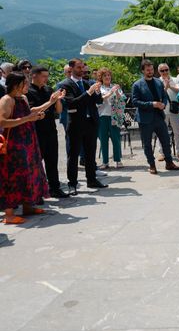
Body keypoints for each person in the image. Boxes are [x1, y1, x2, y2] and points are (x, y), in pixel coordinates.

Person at [0, 72, 63, 223]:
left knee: (30, 173)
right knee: (13, 176)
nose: (28, 85)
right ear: (16, 85)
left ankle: (28, 206)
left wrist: (51, 102)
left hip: (28, 141)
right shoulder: (6, 100)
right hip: (14, 144)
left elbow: (32, 112)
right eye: (25, 83)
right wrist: (28, 118)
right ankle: (9, 215)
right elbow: (2, 122)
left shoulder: (23, 98)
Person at [59, 58, 105, 194]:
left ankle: (91, 179)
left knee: (90, 153)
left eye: (83, 67)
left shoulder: (87, 83)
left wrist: (96, 92)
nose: (82, 70)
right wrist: (89, 92)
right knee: (73, 155)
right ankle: (72, 183)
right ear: (71, 68)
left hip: (90, 122)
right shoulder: (65, 84)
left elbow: (98, 101)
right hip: (75, 124)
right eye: (79, 67)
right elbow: (72, 103)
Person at [131, 60, 179, 175]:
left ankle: (169, 163)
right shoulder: (137, 85)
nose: (150, 71)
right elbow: (135, 102)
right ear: (143, 70)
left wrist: (163, 103)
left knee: (165, 140)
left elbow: (164, 96)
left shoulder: (158, 83)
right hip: (145, 119)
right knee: (147, 144)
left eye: (152, 69)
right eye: (148, 70)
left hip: (159, 116)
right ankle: (152, 165)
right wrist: (152, 104)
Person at [26, 65, 68, 198]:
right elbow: (33, 110)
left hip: (51, 129)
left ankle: (55, 187)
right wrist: (51, 101)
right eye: (43, 76)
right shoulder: (28, 92)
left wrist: (58, 100)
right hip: (36, 131)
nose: (46, 79)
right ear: (34, 75)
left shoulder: (48, 89)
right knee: (37, 162)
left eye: (47, 76)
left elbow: (59, 111)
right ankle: (36, 191)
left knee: (52, 160)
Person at [96, 67, 125, 170]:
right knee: (103, 139)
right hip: (102, 116)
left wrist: (116, 92)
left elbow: (121, 100)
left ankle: (118, 160)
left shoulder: (115, 87)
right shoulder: (98, 88)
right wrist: (110, 92)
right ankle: (105, 162)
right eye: (105, 76)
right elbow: (99, 100)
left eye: (109, 75)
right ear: (101, 77)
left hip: (114, 116)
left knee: (116, 139)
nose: (107, 77)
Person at [158, 63, 179, 161]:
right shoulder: (157, 81)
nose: (165, 72)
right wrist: (165, 87)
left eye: (166, 70)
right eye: (162, 70)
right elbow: (158, 95)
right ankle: (162, 153)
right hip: (162, 110)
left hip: (174, 109)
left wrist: (170, 86)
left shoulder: (175, 79)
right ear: (159, 72)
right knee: (161, 132)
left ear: (169, 70)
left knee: (177, 132)